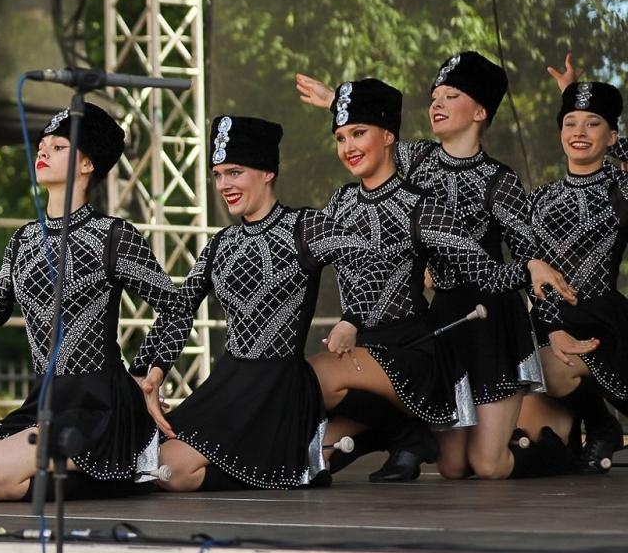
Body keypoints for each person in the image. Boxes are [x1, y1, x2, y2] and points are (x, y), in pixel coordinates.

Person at [297, 78, 572, 481]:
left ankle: (555, 444)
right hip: (436, 321)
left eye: (452, 96)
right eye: (434, 97)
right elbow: (370, 137)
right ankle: (401, 433)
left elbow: (498, 269)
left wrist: (533, 279)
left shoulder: (471, 187)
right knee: (453, 468)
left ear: (480, 112)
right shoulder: (396, 171)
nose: (438, 104)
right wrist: (338, 103)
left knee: (487, 465)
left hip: (469, 322)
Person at [0, 105, 188, 501]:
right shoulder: (23, 239)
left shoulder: (113, 235)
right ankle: (107, 471)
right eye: (42, 145)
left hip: (99, 403)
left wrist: (148, 372)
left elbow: (176, 305)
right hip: (46, 398)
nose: (43, 152)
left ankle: (122, 466)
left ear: (86, 164)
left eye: (59, 146)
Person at [153, 115, 329, 491]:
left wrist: (354, 318)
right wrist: (154, 371)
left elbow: (364, 256)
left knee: (173, 469)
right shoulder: (221, 243)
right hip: (229, 382)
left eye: (234, 172)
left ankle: (287, 463)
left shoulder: (306, 226)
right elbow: (180, 308)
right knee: (149, 454)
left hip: (277, 387)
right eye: (218, 175)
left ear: (267, 172)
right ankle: (280, 468)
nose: (223, 185)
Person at [515, 78, 628, 473]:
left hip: (601, 319)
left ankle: (598, 423)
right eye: (570, 122)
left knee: (547, 369)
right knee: (519, 446)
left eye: (593, 123)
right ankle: (599, 426)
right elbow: (525, 270)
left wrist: (580, 95)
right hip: (547, 319)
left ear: (612, 135)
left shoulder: (622, 189)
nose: (579, 132)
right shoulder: (538, 198)